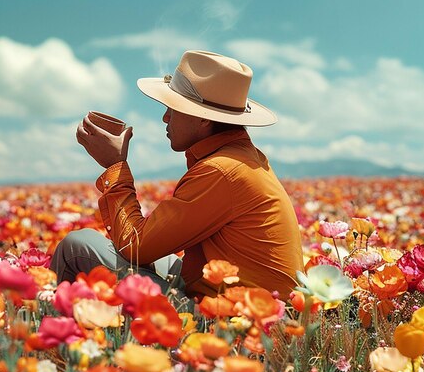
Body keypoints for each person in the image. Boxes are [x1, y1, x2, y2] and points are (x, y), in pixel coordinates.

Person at [50, 50, 304, 302]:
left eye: (174, 108)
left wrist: (114, 166)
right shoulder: (241, 158)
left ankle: (60, 331)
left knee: (77, 246)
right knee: (155, 258)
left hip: (237, 321)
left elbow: (135, 247)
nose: (165, 117)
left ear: (203, 118)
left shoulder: (220, 170)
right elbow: (145, 245)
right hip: (256, 306)